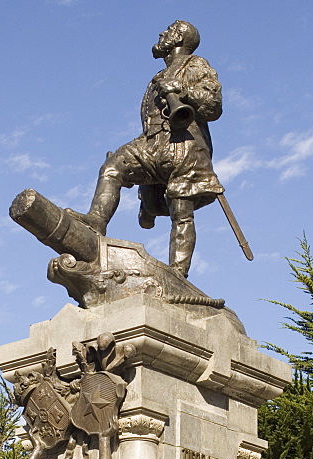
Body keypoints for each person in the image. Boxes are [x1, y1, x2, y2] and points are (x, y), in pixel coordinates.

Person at [80, 20, 224, 278]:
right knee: (113, 167)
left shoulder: (196, 64)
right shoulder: (157, 77)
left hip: (184, 147)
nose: (162, 34)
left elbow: (212, 106)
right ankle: (96, 221)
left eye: (169, 31)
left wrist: (182, 90)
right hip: (153, 142)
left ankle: (178, 274)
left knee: (181, 209)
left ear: (179, 38)